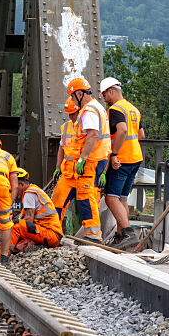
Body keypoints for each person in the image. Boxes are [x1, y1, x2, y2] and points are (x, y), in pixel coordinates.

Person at [100, 77, 144, 246]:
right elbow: (141, 135)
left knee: (111, 198)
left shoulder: (115, 109)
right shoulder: (133, 109)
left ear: (111, 91)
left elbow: (122, 130)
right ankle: (120, 236)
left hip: (122, 158)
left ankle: (127, 233)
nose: (104, 99)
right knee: (123, 199)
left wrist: (114, 153)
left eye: (104, 95)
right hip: (135, 158)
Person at [66, 78, 110, 242]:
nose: (72, 100)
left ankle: (93, 235)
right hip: (99, 159)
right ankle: (93, 233)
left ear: (79, 94)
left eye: (72, 96)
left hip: (91, 160)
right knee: (91, 196)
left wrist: (82, 159)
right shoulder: (99, 107)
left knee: (86, 197)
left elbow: (93, 135)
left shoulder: (89, 110)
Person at [8, 168, 63, 253]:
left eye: (13, 188)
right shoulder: (33, 190)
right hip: (50, 234)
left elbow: (28, 221)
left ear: (22, 185)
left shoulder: (29, 194)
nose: (12, 191)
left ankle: (0, 256)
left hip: (51, 235)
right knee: (19, 243)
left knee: (15, 225)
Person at [50, 97, 80, 219]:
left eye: (73, 114)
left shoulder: (87, 126)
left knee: (88, 207)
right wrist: (58, 166)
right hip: (67, 174)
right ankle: (56, 234)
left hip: (82, 173)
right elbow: (61, 148)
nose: (71, 117)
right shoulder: (65, 127)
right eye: (69, 114)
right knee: (56, 203)